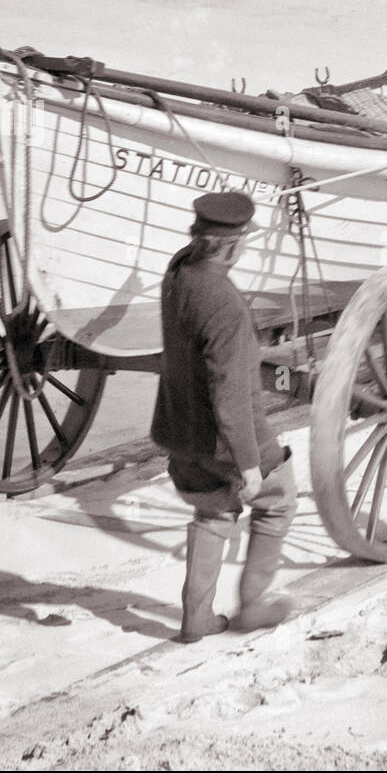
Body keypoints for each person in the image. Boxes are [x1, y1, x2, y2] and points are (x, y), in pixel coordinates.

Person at [151, 191, 297, 642]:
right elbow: (231, 394)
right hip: (225, 437)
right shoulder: (226, 305)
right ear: (234, 245)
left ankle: (196, 619)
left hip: (179, 428)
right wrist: (250, 465)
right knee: (278, 500)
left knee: (214, 511)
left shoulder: (178, 271)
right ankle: (252, 607)